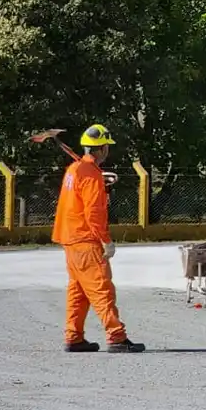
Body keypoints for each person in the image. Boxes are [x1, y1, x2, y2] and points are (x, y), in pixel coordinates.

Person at [52, 124, 145, 353]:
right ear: (102, 148)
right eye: (107, 147)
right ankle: (117, 337)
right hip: (86, 240)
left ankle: (74, 337)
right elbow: (93, 213)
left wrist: (99, 182)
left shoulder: (75, 169)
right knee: (102, 289)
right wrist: (106, 240)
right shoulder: (90, 175)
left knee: (79, 292)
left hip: (70, 238)